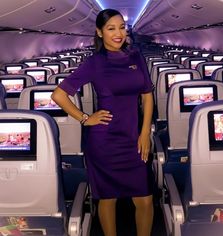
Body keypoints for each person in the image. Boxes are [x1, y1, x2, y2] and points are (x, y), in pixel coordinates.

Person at [51, 8, 154, 236]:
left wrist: (145, 132)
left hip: (134, 138)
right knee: (108, 199)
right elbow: (58, 95)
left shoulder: (136, 56)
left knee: (145, 200)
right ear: (99, 32)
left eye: (121, 27)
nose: (118, 33)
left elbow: (147, 95)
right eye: (111, 28)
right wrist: (85, 119)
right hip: (104, 141)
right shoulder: (95, 63)